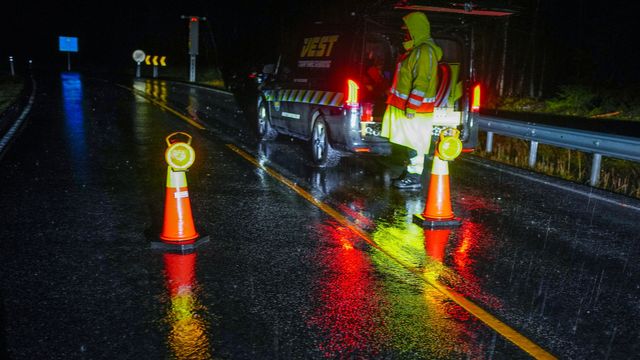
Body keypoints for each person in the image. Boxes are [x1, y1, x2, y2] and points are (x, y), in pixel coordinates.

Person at [381, 11, 442, 189]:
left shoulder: (424, 51)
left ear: (417, 30)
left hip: (416, 111)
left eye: (407, 30)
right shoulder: (416, 51)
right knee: (410, 143)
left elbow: (422, 81)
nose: (405, 34)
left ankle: (414, 177)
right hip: (407, 108)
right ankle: (411, 173)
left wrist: (412, 106)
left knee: (415, 143)